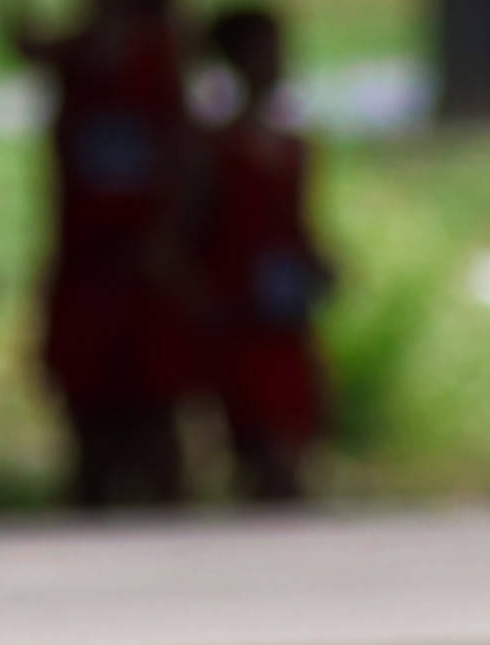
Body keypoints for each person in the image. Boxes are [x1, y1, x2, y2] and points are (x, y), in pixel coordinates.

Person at [19, 0, 194, 509]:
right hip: (85, 249)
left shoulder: (165, 46)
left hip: (144, 250)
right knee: (87, 396)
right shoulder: (75, 49)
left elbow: (182, 148)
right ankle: (91, 496)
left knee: (157, 393)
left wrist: (170, 231)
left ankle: (169, 506)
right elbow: (24, 45)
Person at [189, 2, 320, 502]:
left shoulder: (294, 146)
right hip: (236, 316)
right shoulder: (212, 146)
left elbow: (297, 226)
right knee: (258, 447)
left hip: (284, 314)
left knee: (291, 443)